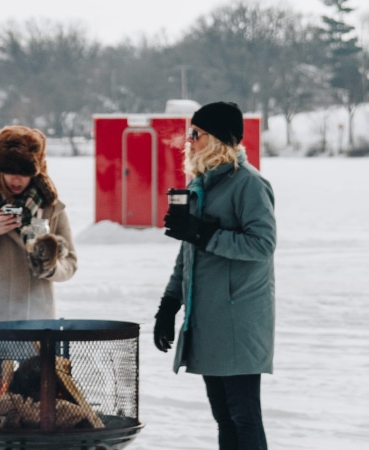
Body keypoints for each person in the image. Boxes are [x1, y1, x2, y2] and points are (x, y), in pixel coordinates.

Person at [153, 102, 276, 450]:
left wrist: (203, 234)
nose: (188, 141)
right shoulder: (200, 184)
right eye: (190, 133)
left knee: (244, 416)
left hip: (238, 319)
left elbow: (262, 245)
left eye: (197, 134)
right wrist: (169, 303)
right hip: (207, 317)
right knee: (224, 416)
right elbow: (188, 252)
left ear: (219, 138)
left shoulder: (248, 184)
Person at [0, 125, 78, 432]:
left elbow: (70, 264)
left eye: (24, 172)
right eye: (9, 171)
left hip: (36, 324)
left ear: (37, 169)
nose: (17, 180)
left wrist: (48, 264)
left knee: (34, 410)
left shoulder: (50, 207)